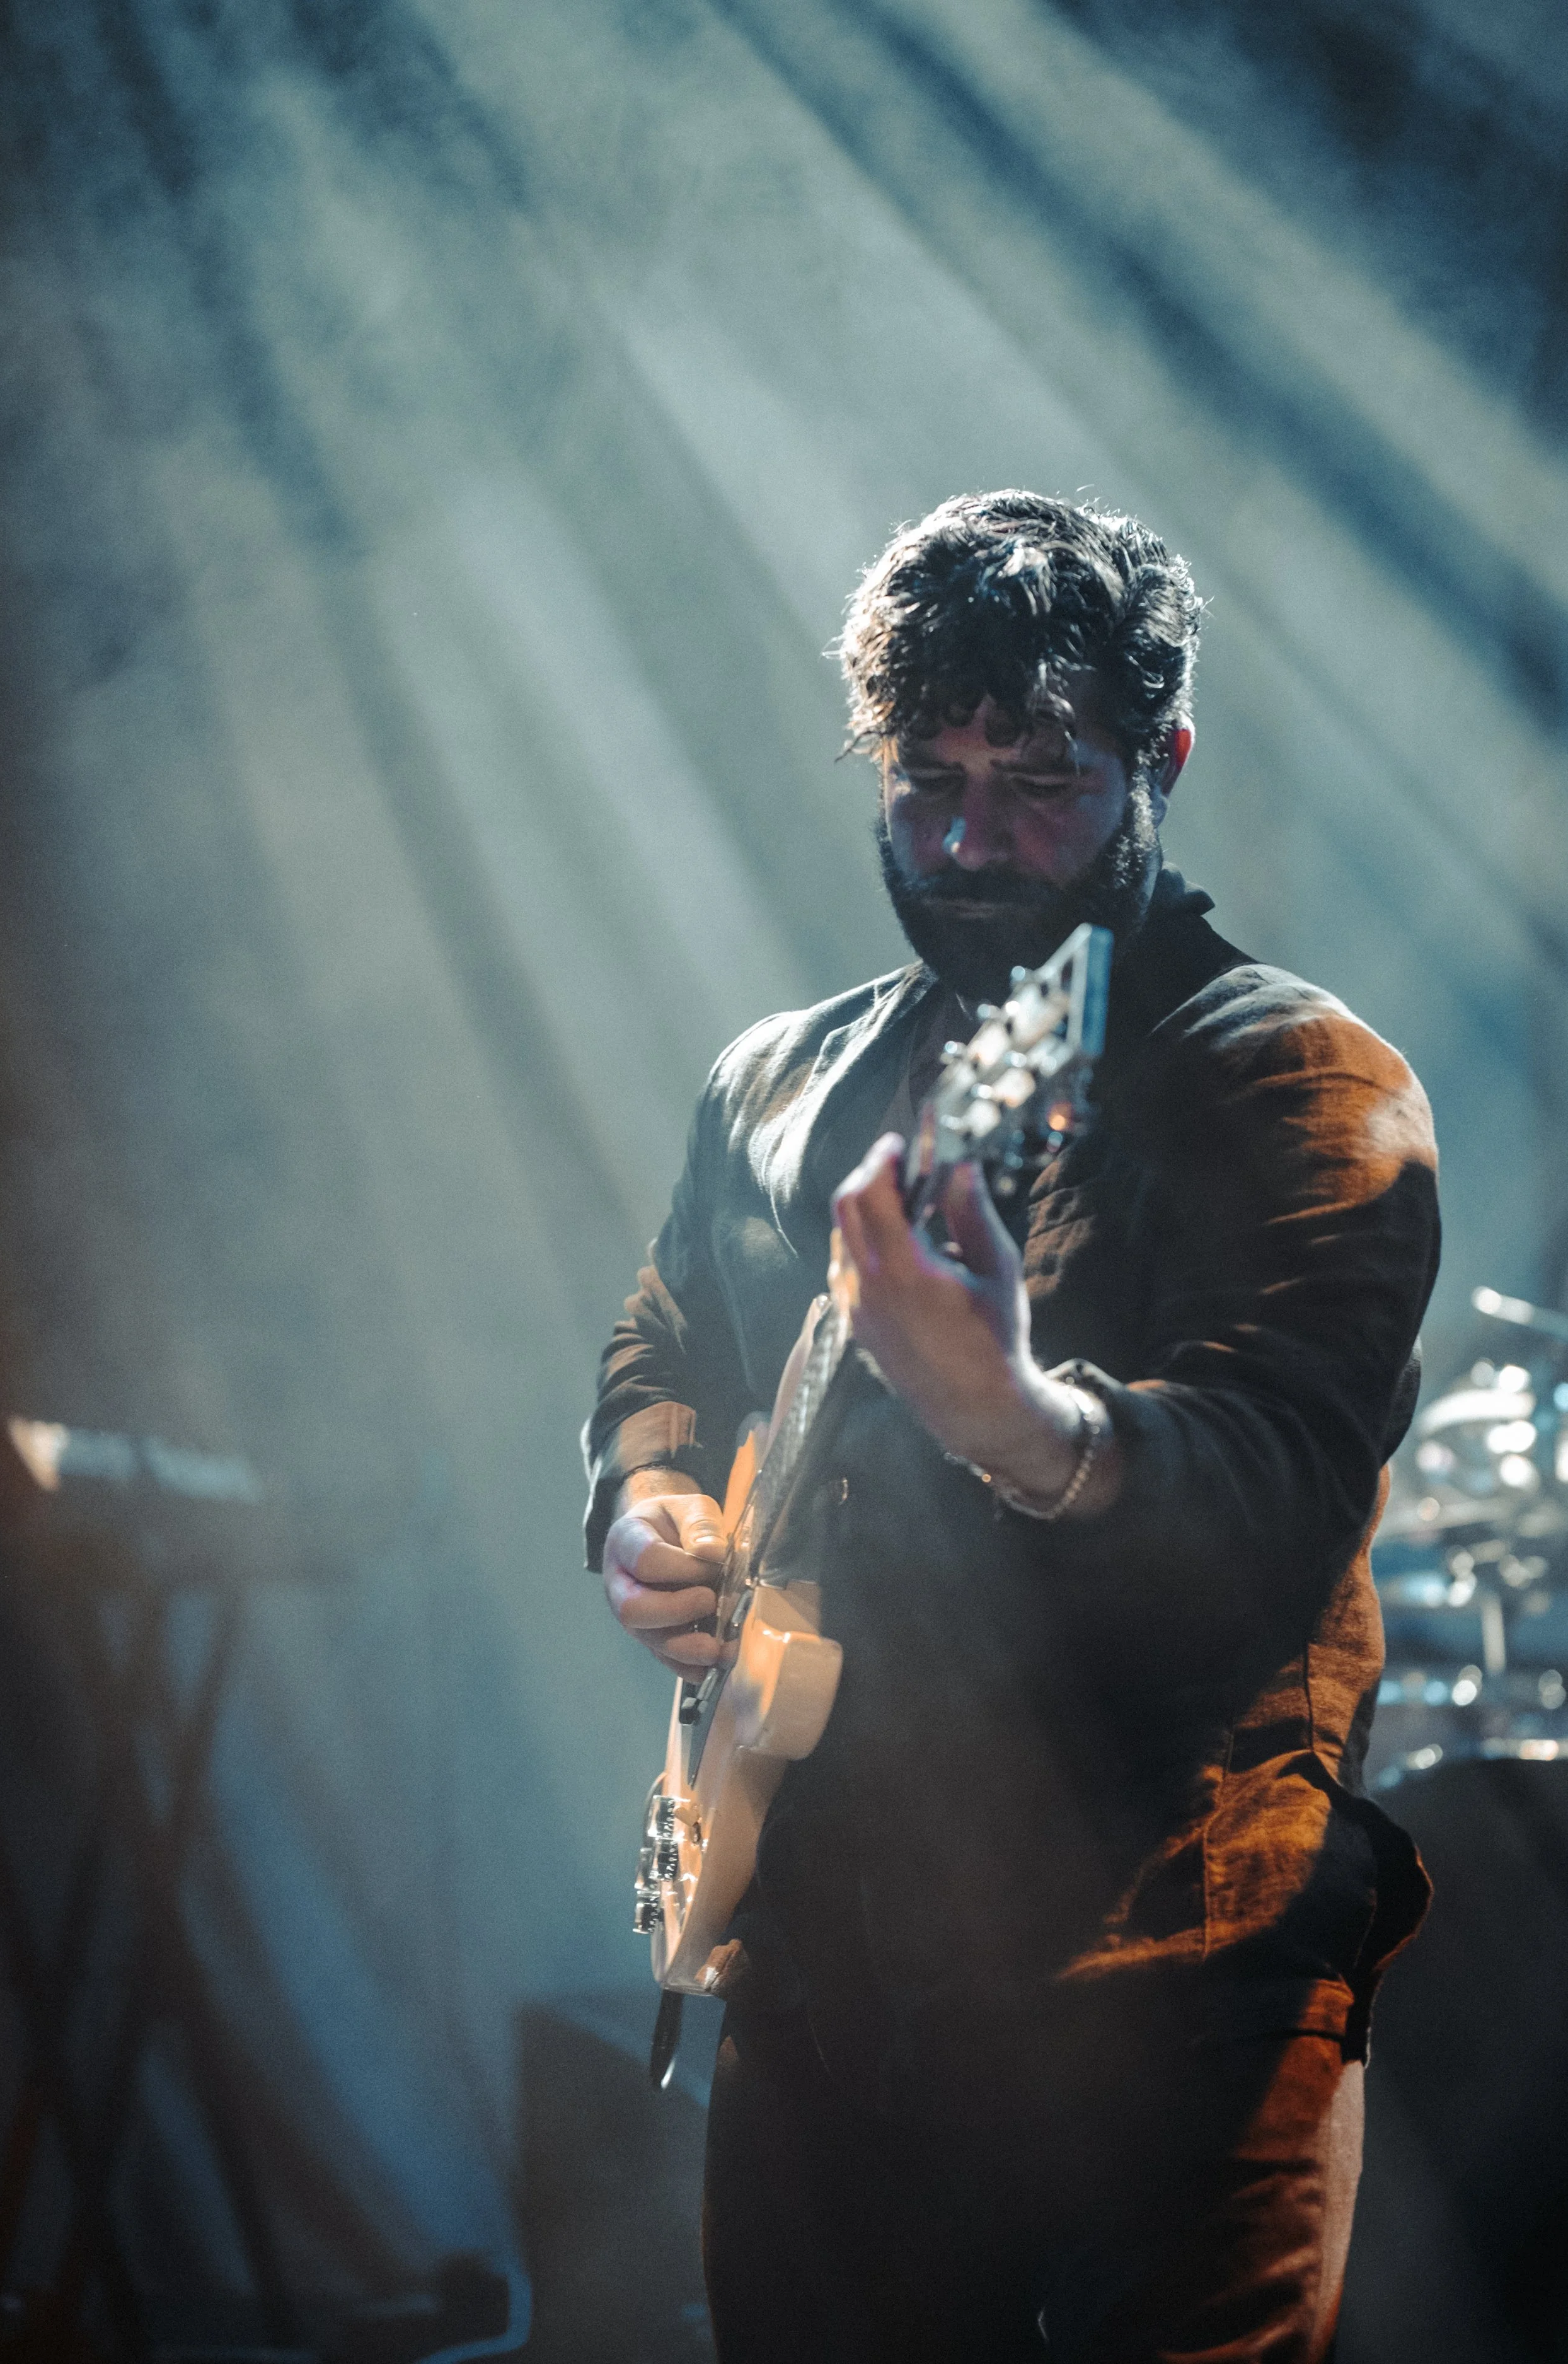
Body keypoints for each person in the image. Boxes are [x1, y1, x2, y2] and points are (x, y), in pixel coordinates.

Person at [583, 492, 1439, 2362]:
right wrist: (645, 1500)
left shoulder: (1293, 1078)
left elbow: (1277, 1485)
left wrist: (1022, 1420)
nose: (972, 843)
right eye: (928, 781)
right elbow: (665, 1338)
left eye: (1042, 783)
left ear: (1163, 762)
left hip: (1176, 1974)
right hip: (826, 1975)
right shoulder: (778, 1082)